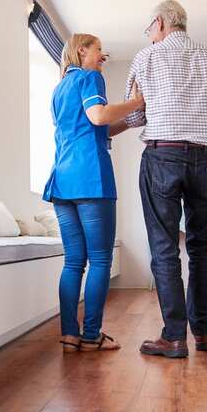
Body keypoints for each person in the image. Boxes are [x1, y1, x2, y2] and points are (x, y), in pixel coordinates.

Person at [125, 0, 207, 358]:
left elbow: (134, 116)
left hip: (162, 155)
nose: (149, 36)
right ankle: (204, 335)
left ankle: (174, 337)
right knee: (201, 251)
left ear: (160, 23)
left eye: (149, 29)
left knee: (164, 248)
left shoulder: (146, 59)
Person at [43, 33, 144, 353]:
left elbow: (95, 127)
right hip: (90, 178)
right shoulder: (91, 78)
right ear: (82, 51)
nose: (103, 55)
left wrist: (129, 121)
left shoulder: (59, 89)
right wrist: (137, 103)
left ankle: (70, 334)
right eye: (99, 49)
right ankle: (91, 335)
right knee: (100, 259)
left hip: (62, 180)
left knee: (74, 262)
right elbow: (98, 116)